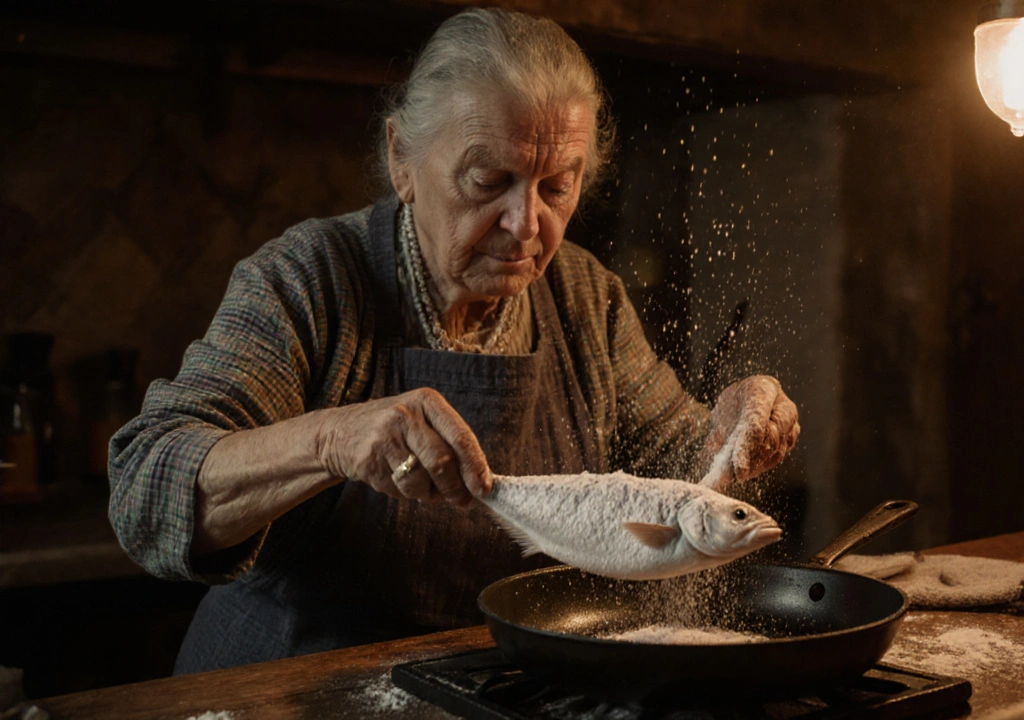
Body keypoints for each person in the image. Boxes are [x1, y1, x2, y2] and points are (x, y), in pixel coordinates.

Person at [108, 7, 800, 673]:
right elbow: (146, 492)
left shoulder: (586, 296)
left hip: (495, 680)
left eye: (558, 185)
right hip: (298, 686)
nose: (526, 223)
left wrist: (729, 432)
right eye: (489, 180)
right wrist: (331, 440)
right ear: (402, 159)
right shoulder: (308, 279)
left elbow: (676, 472)